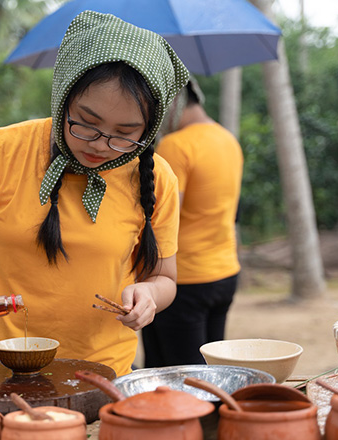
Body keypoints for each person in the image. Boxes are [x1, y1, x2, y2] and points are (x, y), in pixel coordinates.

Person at [0, 10, 189, 376]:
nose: (101, 145)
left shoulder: (159, 178)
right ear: (63, 96)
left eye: (125, 133)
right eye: (87, 123)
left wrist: (149, 297)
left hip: (100, 376)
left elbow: (165, 279)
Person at [141, 78, 244, 367]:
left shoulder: (176, 145)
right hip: (224, 274)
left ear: (174, 102)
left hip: (183, 281)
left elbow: (163, 216)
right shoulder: (227, 140)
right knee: (213, 373)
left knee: (175, 377)